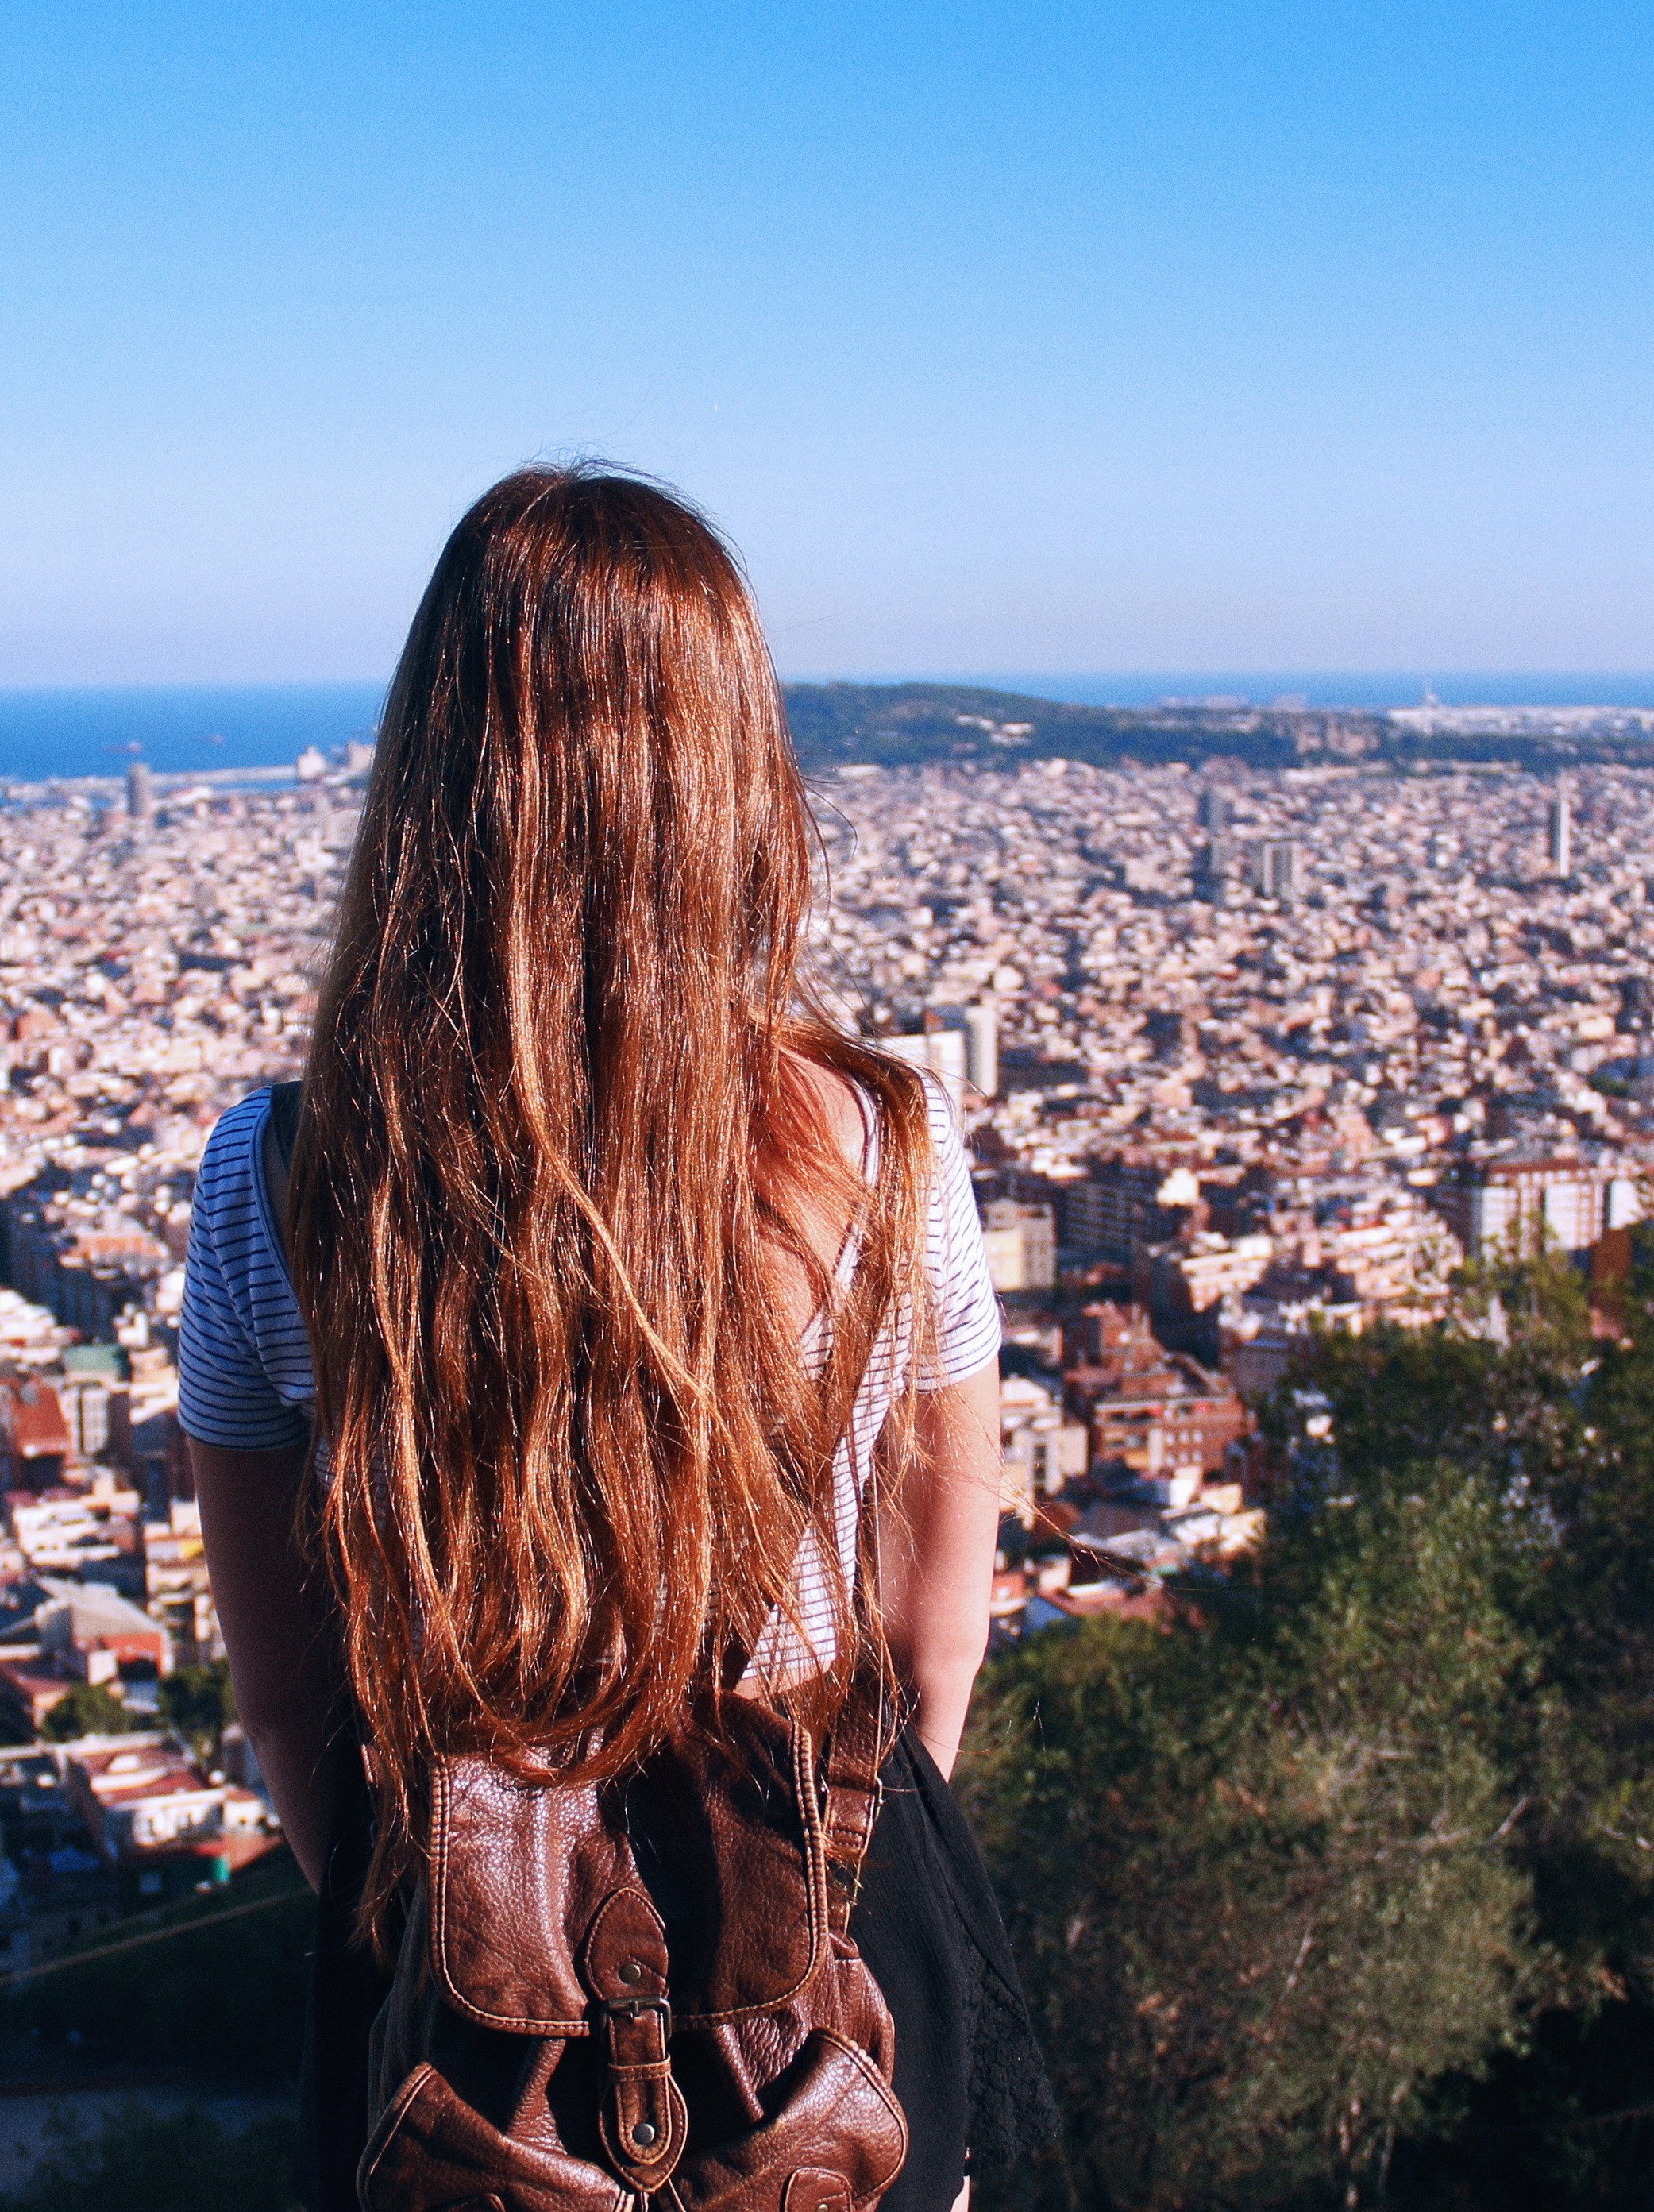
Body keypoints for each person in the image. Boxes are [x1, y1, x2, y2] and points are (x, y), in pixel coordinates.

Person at [175, 464, 1045, 2212]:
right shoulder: (886, 1148)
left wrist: (460, 1906)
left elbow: (287, 1715)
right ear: (732, 771)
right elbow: (930, 1662)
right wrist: (810, 1880)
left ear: (435, 769)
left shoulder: (276, 1182)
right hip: (841, 2026)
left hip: (464, 2047)